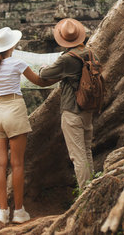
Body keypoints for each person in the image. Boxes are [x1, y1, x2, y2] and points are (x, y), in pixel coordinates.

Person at [0, 27, 53, 225]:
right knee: (17, 164)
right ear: (13, 45)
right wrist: (54, 74)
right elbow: (39, 82)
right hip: (15, 109)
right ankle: (19, 211)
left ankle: (3, 212)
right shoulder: (18, 63)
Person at [39, 18, 95, 190]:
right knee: (86, 152)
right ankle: (93, 187)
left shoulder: (67, 59)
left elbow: (45, 74)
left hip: (72, 111)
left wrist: (42, 67)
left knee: (77, 157)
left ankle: (85, 193)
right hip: (87, 110)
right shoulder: (90, 52)